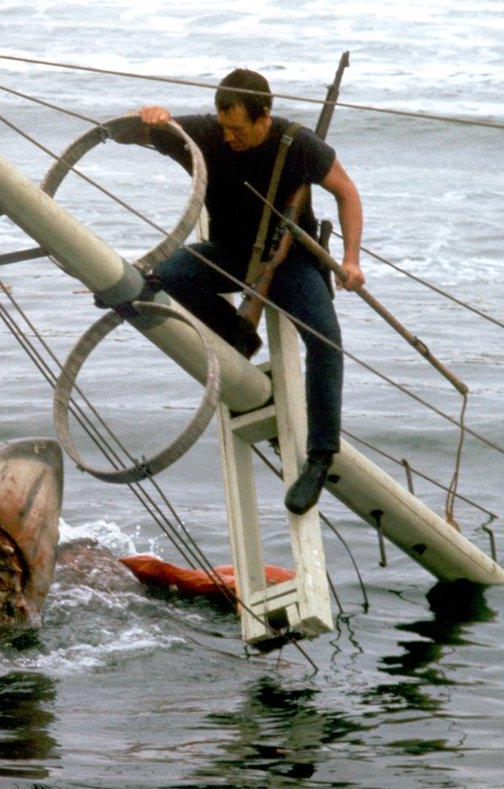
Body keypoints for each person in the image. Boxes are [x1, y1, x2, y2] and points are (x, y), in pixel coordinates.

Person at [118, 68, 364, 515]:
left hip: (292, 263)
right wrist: (148, 119)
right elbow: (135, 132)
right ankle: (237, 332)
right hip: (229, 252)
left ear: (264, 116)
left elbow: (347, 193)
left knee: (326, 342)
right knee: (167, 273)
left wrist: (351, 261)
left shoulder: (298, 143)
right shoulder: (208, 134)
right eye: (223, 125)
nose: (228, 136)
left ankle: (321, 456)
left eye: (238, 128)